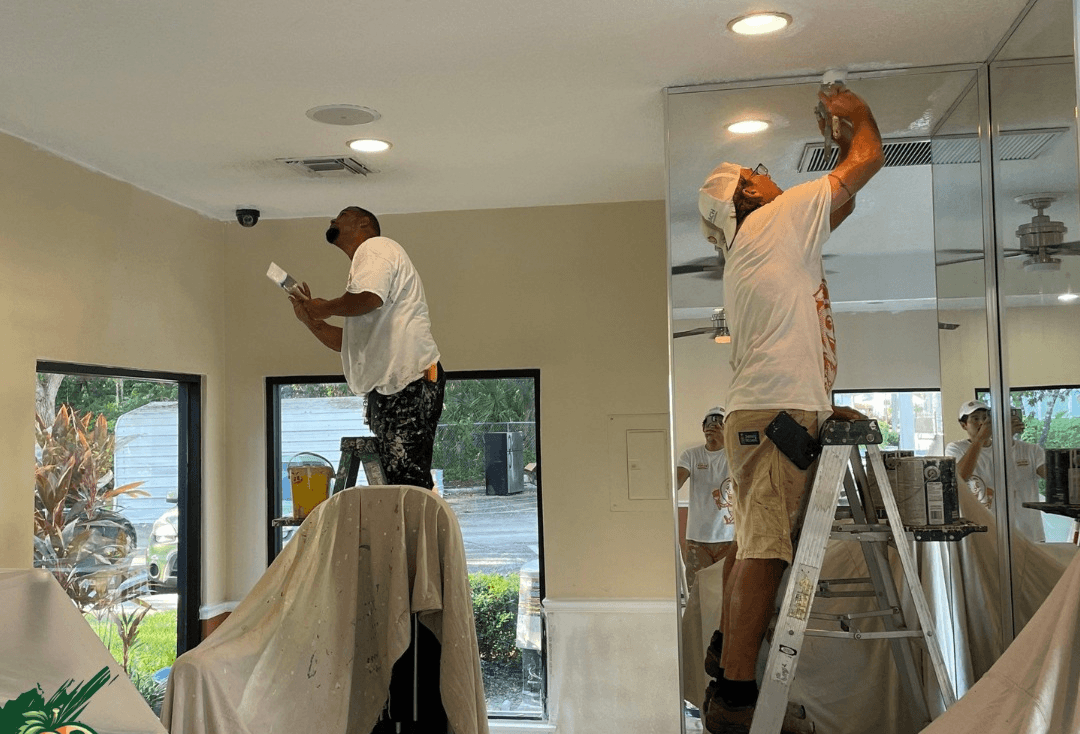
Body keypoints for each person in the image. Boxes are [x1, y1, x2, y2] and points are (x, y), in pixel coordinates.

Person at [697, 85, 884, 734]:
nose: (772, 179)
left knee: (758, 545)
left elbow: (844, 202)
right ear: (746, 198)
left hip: (768, 410)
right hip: (775, 413)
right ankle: (738, 700)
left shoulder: (761, 241)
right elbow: (866, 163)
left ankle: (728, 665)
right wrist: (856, 118)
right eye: (759, 174)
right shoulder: (774, 224)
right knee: (767, 550)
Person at [289, 206, 445, 489]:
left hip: (409, 382)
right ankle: (402, 529)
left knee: (405, 481)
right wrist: (309, 320)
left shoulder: (376, 247)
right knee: (395, 479)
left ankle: (410, 532)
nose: (333, 220)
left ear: (364, 223)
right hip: (393, 387)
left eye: (343, 215)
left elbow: (369, 298)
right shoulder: (365, 270)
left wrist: (324, 307)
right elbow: (347, 344)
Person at [945, 400, 1046, 542]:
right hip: (984, 536)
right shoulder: (956, 448)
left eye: (986, 418)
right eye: (975, 419)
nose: (982, 422)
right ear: (963, 425)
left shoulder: (1028, 450)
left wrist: (1005, 437)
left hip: (1028, 534)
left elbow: (1052, 477)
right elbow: (959, 478)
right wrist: (981, 439)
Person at [676, 406, 736, 596]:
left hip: (729, 537)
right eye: (710, 422)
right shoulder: (691, 455)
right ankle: (701, 627)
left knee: (728, 592)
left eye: (719, 422)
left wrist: (726, 442)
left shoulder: (735, 455)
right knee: (698, 595)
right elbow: (675, 484)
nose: (714, 426)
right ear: (703, 427)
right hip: (697, 540)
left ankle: (723, 627)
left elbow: (748, 478)